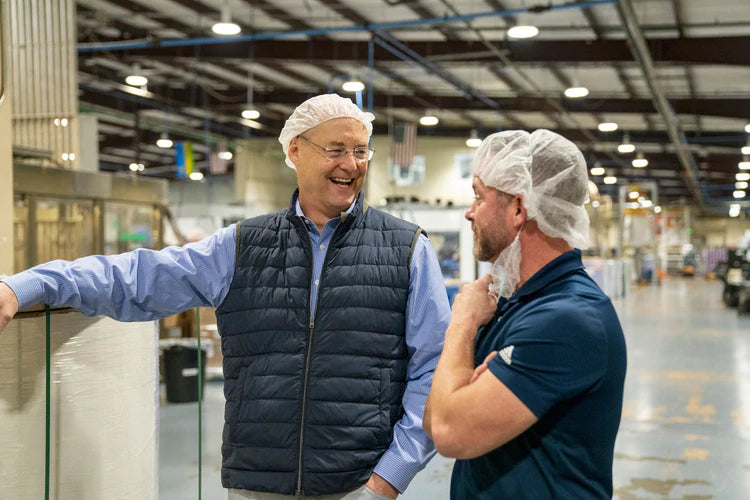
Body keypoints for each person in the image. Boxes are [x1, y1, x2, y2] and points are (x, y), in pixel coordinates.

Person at [0, 94, 451, 499]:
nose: (351, 164)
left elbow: (434, 367)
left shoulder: (406, 249)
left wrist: (389, 478)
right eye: (335, 150)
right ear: (294, 151)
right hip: (256, 485)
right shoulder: (240, 246)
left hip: (356, 485)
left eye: (360, 151)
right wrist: (30, 285)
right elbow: (139, 277)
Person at [423, 130, 627, 499]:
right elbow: (434, 415)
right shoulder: (511, 304)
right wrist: (458, 393)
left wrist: (463, 324)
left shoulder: (568, 318)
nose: (469, 213)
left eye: (479, 197)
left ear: (518, 208)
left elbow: (449, 431)